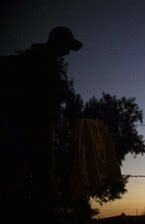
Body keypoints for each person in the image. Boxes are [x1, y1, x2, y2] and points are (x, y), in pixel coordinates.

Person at [0, 26, 82, 211]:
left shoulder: (39, 60)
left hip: (29, 126)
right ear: (58, 42)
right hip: (30, 127)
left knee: (23, 172)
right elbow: (40, 98)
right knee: (38, 173)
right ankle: (43, 221)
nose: (68, 52)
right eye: (67, 46)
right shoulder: (40, 62)